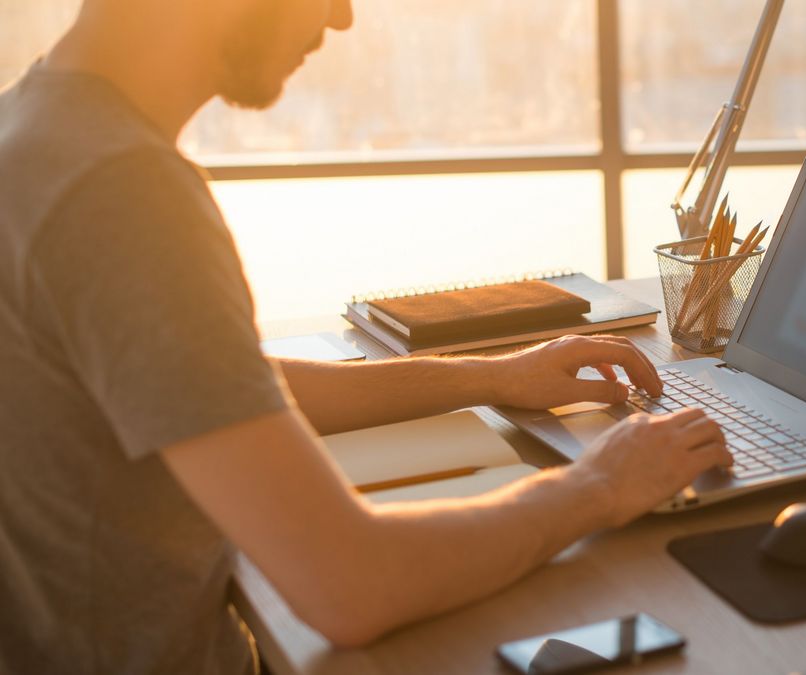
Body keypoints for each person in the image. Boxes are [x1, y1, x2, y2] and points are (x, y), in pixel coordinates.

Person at [0, 1, 732, 673]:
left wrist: (492, 376)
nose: (343, 17)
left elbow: (217, 386)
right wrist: (600, 484)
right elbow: (350, 583)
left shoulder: (35, 128)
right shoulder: (118, 190)